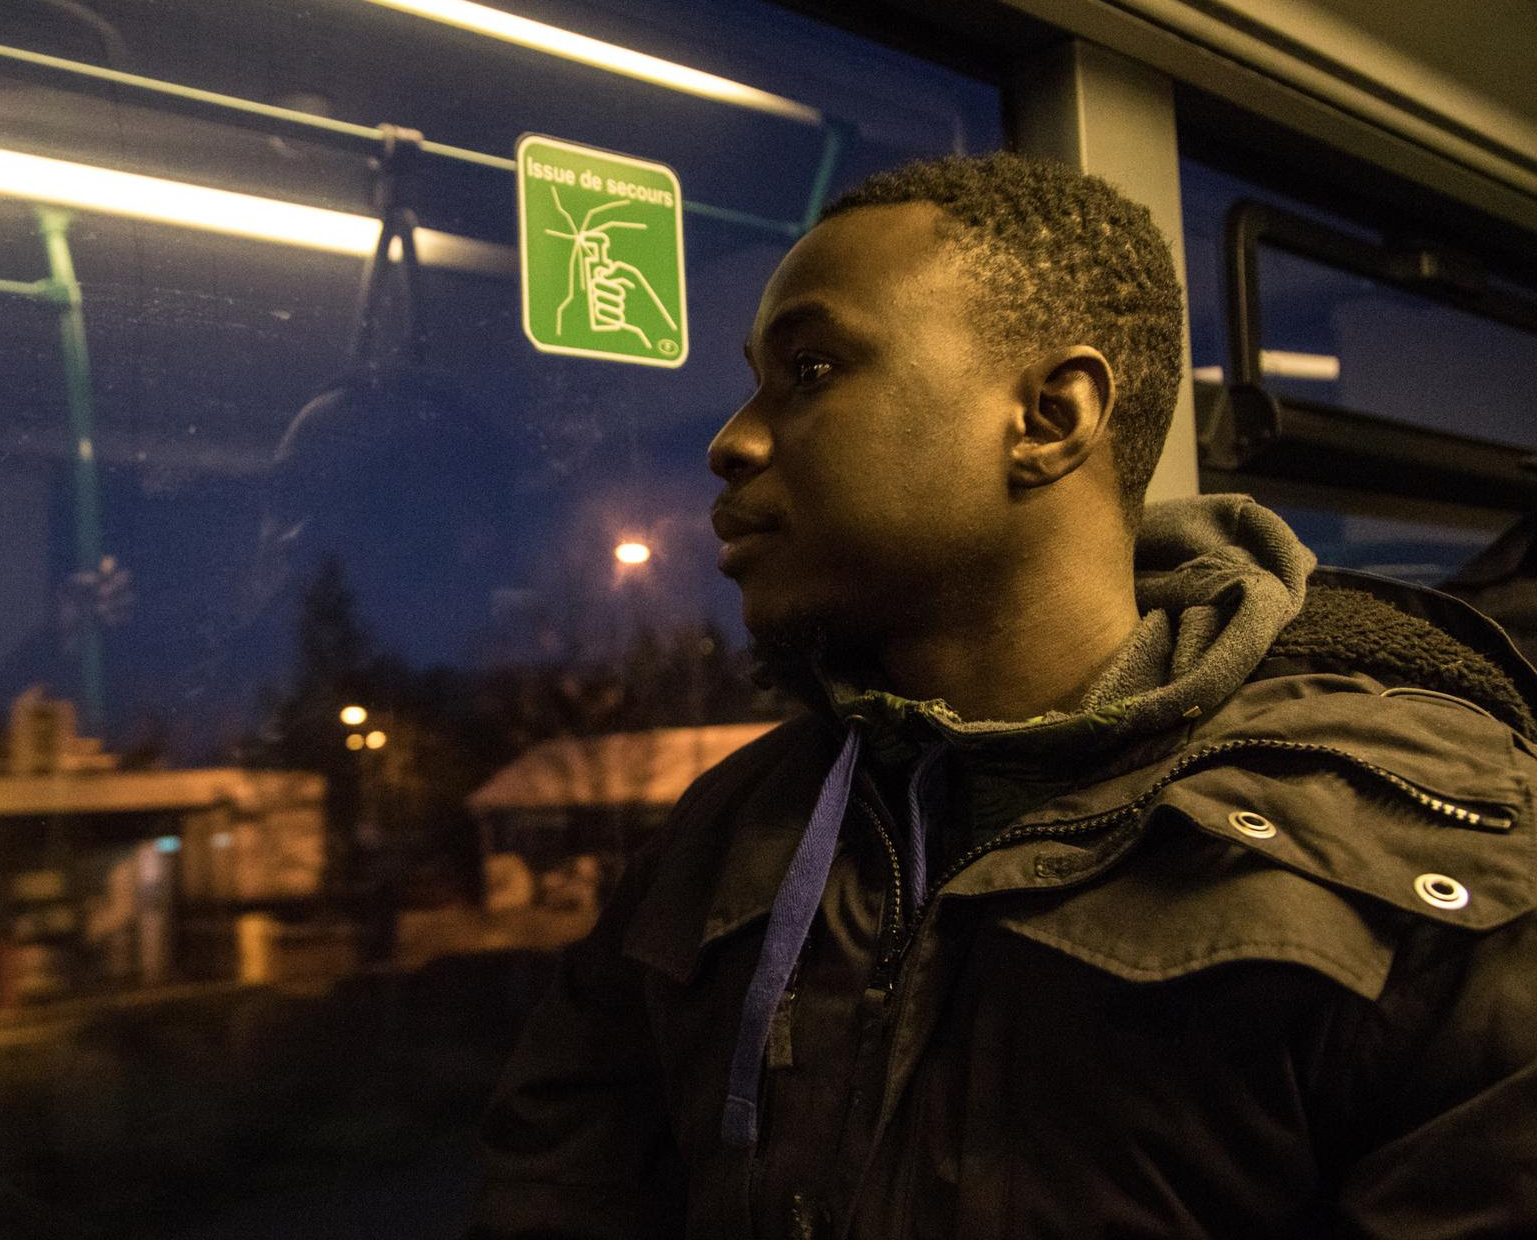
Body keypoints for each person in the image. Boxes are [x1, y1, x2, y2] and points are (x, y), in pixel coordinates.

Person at [470, 152, 1537, 1239]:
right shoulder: (725, 835)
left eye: (811, 369)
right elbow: (559, 1189)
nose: (732, 439)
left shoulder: (1430, 856)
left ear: (1049, 416)